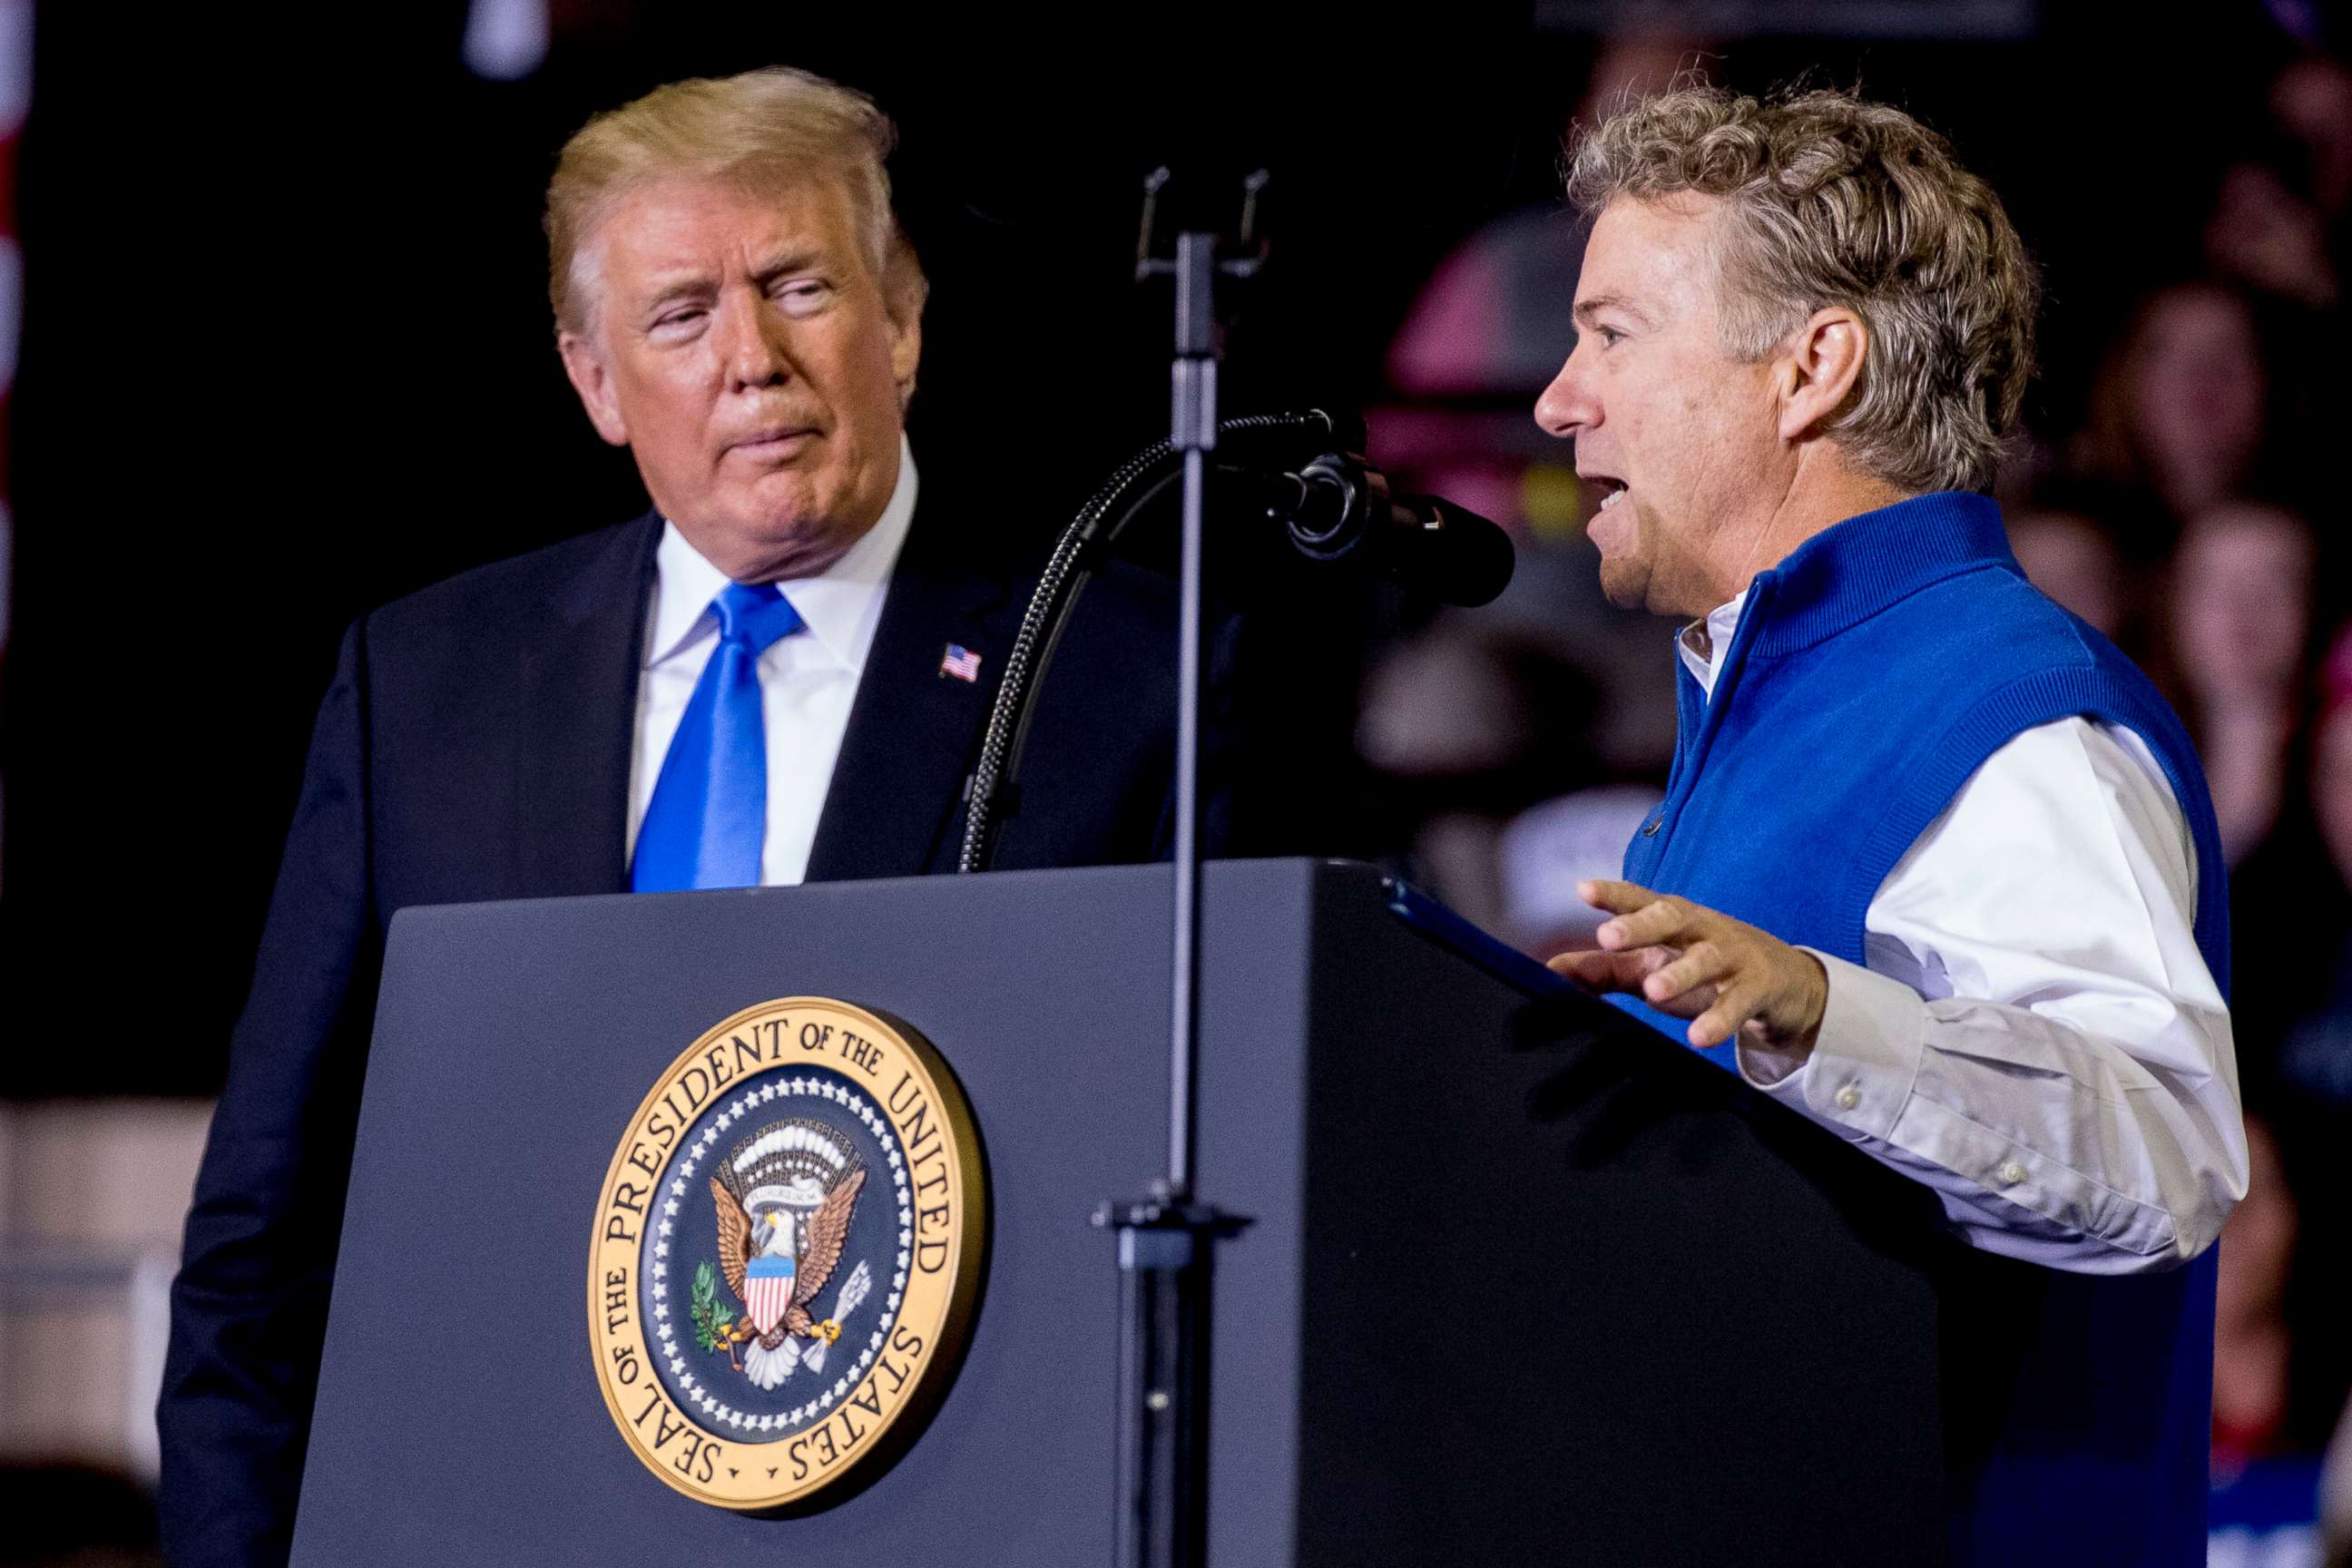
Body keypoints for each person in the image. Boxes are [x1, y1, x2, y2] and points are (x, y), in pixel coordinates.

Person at [156, 67, 1314, 1568]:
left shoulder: (1128, 677)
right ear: (592, 381)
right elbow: (262, 1250)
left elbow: (1220, 1225)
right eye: (681, 314)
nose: (750, 361)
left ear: (901, 321)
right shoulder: (422, 689)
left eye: (798, 286)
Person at [1533, 86, 2245, 1565]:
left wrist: (1815, 1013)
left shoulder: (2011, 706)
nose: (1557, 399)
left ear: (1810, 369)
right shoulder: (1776, 699)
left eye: (1613, 333)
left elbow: (2161, 1151)